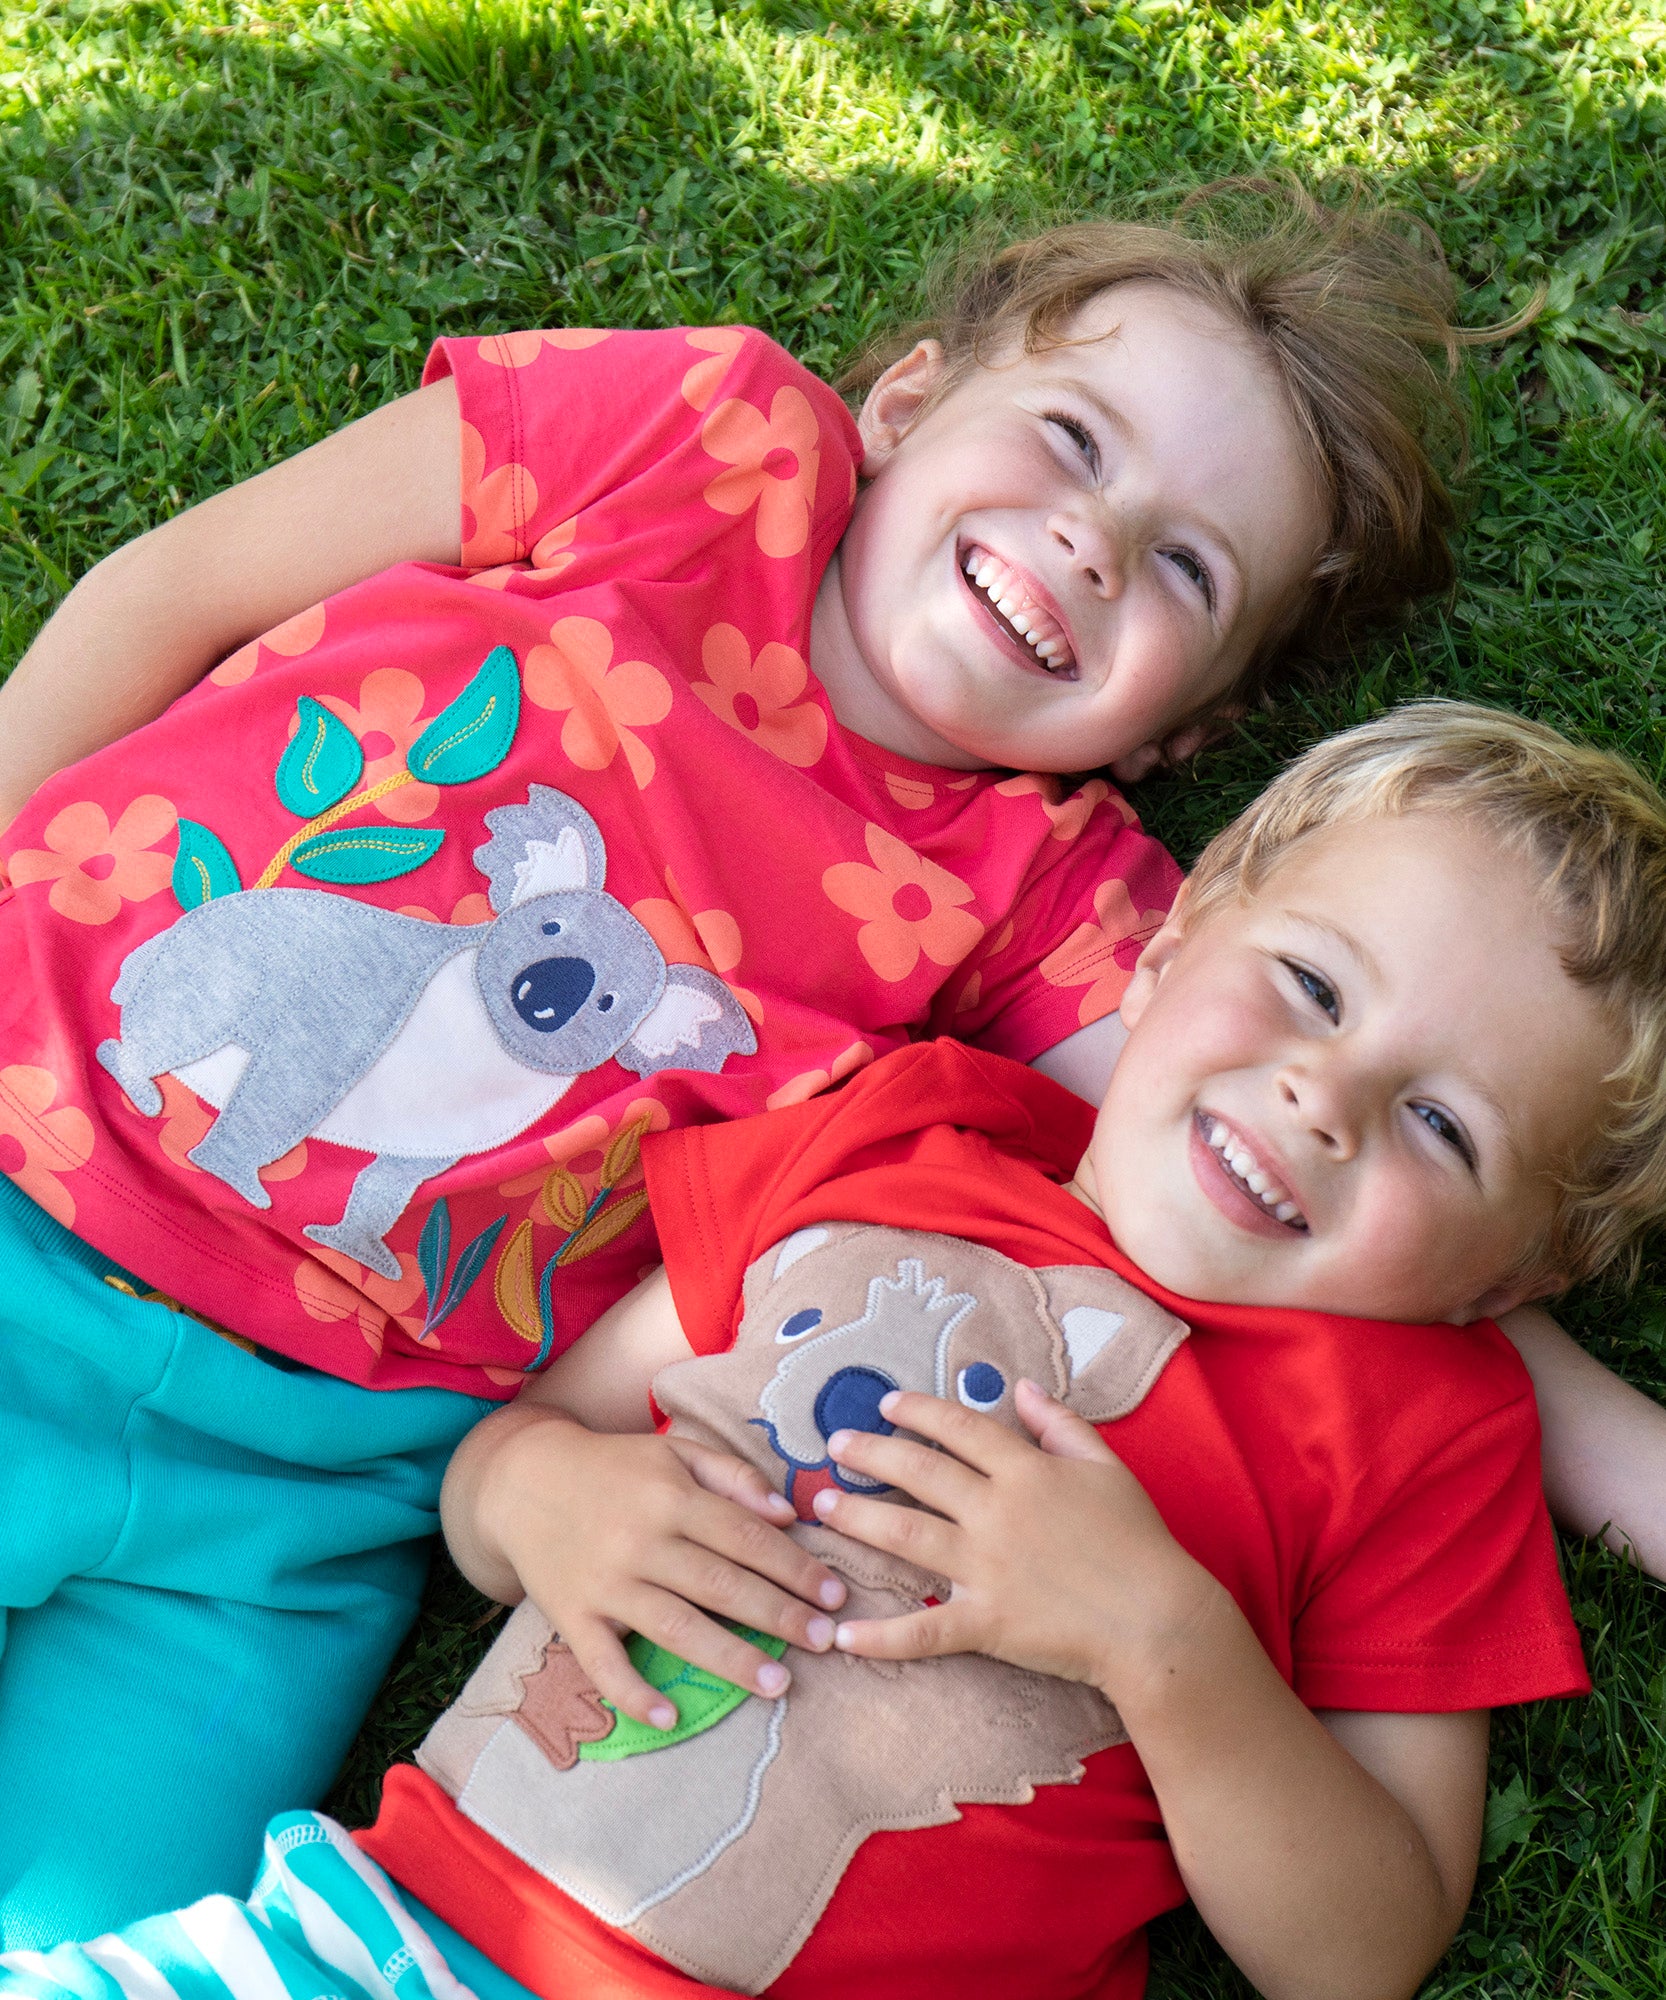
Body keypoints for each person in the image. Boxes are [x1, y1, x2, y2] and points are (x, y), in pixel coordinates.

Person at [0, 183, 1484, 1940]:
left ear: (1178, 734)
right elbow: (176, 584)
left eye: (1181, 568)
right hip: (33, 1187)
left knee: (74, 1947)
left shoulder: (1045, 894)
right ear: (910, 400)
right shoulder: (703, 435)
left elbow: (1372, 1140)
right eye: (1074, 439)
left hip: (302, 1510)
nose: (1092, 540)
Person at [9, 700, 1662, 2000]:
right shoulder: (891, 1142)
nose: (1327, 1094)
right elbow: (511, 1448)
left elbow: (1360, 1950)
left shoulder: (1428, 1431)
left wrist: (1166, 1641)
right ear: (1168, 945)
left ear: (1505, 1276)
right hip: (387, 1934)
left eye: (1440, 1125)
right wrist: (553, 1506)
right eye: (1308, 984)